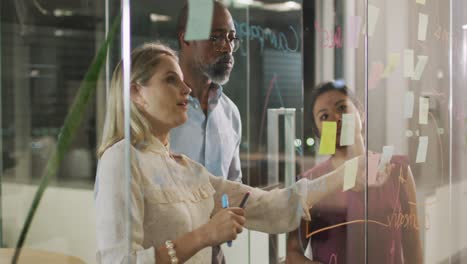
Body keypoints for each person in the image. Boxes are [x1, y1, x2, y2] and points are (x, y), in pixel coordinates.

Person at [94, 43, 370, 264]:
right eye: (170, 80)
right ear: (136, 94)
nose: (186, 88)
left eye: (182, 80)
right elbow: (119, 261)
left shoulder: (189, 170)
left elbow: (274, 207)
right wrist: (204, 235)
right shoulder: (121, 160)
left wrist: (346, 173)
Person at [286, 81, 423, 264]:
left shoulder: (398, 171)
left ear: (361, 112)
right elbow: (292, 253)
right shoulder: (310, 182)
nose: (336, 118)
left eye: (342, 107)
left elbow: (413, 248)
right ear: (318, 132)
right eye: (324, 116)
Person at [171, 2, 241, 262]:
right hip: (166, 254)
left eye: (231, 37)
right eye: (216, 37)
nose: (227, 47)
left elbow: (232, 190)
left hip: (215, 255)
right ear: (186, 39)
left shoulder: (230, 114)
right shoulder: (158, 110)